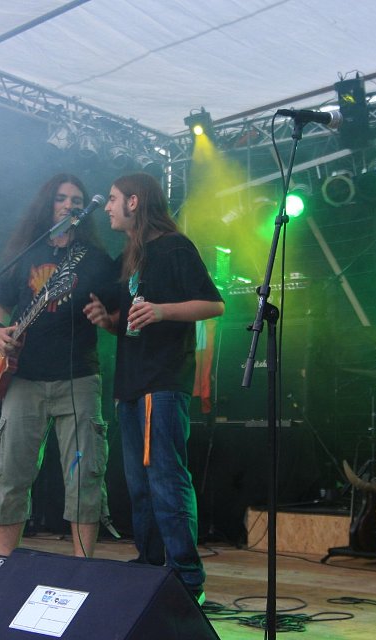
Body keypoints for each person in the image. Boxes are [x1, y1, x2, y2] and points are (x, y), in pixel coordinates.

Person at [84, 172, 224, 605]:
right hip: (130, 383)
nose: (107, 207)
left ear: (134, 201)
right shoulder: (130, 256)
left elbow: (214, 304)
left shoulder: (174, 247)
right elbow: (129, 323)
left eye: (113, 199)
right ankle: (150, 566)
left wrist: (162, 311)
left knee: (165, 478)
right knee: (139, 483)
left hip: (162, 382)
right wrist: (109, 322)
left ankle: (186, 578)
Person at [0, 173, 116, 564]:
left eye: (76, 200)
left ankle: (81, 565)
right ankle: (4, 564)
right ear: (48, 204)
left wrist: (107, 317)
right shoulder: (24, 253)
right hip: (23, 378)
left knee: (83, 474)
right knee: (11, 471)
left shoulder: (96, 260)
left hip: (78, 377)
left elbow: (118, 313)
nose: (70, 205)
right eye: (62, 198)